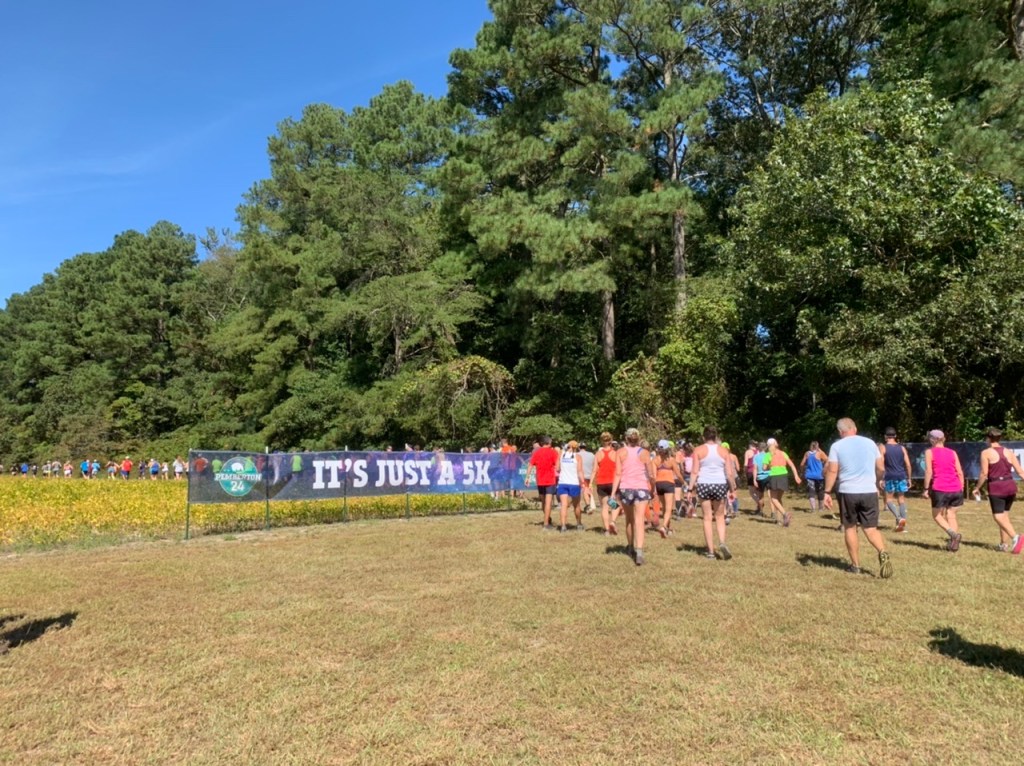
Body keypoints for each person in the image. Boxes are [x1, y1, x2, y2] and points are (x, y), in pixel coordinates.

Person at [823, 418, 893, 577]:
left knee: (850, 527)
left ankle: (855, 566)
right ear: (855, 428)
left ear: (840, 432)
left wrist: (827, 492)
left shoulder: (837, 446)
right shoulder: (870, 443)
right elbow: (881, 468)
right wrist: (876, 481)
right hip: (869, 491)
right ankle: (882, 551)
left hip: (848, 491)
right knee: (870, 528)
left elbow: (832, 471)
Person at [687, 426, 737, 559]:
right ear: (716, 437)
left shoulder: (698, 450)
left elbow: (694, 472)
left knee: (707, 517)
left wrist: (690, 489)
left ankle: (710, 551)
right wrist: (733, 489)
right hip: (720, 484)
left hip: (704, 483)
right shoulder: (723, 451)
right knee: (720, 516)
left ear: (704, 437)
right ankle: (722, 542)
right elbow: (729, 473)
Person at [973, 428, 1024, 553]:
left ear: (988, 438)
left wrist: (977, 488)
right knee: (1004, 516)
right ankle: (1003, 544)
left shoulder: (986, 453)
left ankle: (1015, 537)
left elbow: (984, 473)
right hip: (1010, 486)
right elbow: (1020, 471)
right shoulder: (1009, 452)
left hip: (997, 487)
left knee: (998, 516)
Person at [610, 428, 655, 565]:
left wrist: (613, 493)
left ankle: (630, 547)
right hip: (641, 488)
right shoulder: (645, 453)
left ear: (626, 438)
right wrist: (653, 489)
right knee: (640, 520)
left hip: (626, 488)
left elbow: (618, 474)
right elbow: (651, 475)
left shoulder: (620, 452)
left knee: (629, 520)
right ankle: (639, 551)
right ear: (638, 438)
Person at [922, 429, 965, 552]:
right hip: (956, 487)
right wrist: (961, 486)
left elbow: (929, 471)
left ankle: (953, 535)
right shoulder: (952, 452)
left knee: (937, 515)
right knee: (951, 515)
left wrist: (925, 489)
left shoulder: (929, 452)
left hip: (940, 488)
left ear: (931, 440)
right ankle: (953, 544)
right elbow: (960, 471)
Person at [878, 427, 911, 532]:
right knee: (901, 500)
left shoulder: (883, 447)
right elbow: (908, 464)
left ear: (885, 437)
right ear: (895, 436)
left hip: (889, 476)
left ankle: (898, 517)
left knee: (888, 500)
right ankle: (902, 523)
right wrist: (909, 478)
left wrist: (881, 478)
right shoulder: (902, 448)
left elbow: (881, 463)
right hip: (901, 476)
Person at [764, 438, 802, 526]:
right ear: (776, 444)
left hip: (774, 476)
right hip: (784, 476)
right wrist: (796, 475)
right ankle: (780, 520)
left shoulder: (768, 455)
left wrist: (769, 465)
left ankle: (785, 514)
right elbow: (791, 465)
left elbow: (764, 467)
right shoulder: (783, 453)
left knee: (773, 499)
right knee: (778, 498)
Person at [525, 436, 560, 530]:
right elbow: (557, 467)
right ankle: (546, 524)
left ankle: (547, 518)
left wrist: (527, 477)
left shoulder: (537, 453)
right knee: (548, 503)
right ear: (549, 443)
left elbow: (530, 465)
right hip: (550, 480)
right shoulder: (553, 452)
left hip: (540, 480)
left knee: (543, 502)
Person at [653, 439, 684, 538]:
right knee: (669, 508)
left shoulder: (655, 460)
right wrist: (685, 483)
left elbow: (653, 476)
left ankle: (668, 528)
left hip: (659, 484)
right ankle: (664, 527)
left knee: (665, 507)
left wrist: (653, 488)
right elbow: (678, 475)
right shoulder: (671, 460)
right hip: (669, 484)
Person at [591, 432, 619, 535]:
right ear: (611, 441)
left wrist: (590, 483)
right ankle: (612, 522)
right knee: (615, 505)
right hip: (613, 483)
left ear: (601, 441)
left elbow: (594, 470)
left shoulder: (598, 454)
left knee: (604, 507)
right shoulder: (615, 453)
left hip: (601, 483)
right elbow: (619, 469)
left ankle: (607, 529)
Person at [555, 441, 585, 532]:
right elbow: (579, 471)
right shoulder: (578, 457)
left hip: (563, 482)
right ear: (576, 447)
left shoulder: (561, 454)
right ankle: (579, 524)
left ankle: (563, 526)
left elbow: (557, 468)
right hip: (574, 483)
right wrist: (583, 482)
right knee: (576, 505)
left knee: (564, 505)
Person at [800, 441, 828, 512]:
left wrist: (802, 471)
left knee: (811, 491)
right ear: (817, 446)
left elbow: (802, 464)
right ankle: (821, 508)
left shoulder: (807, 453)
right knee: (820, 491)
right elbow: (827, 459)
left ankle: (813, 508)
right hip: (819, 475)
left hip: (809, 475)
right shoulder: (820, 453)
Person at [578, 442, 596, 513]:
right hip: (590, 475)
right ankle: (616, 508)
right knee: (588, 490)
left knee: (585, 490)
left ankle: (588, 506)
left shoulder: (577, 454)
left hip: (581, 475)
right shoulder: (591, 454)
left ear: (579, 447)